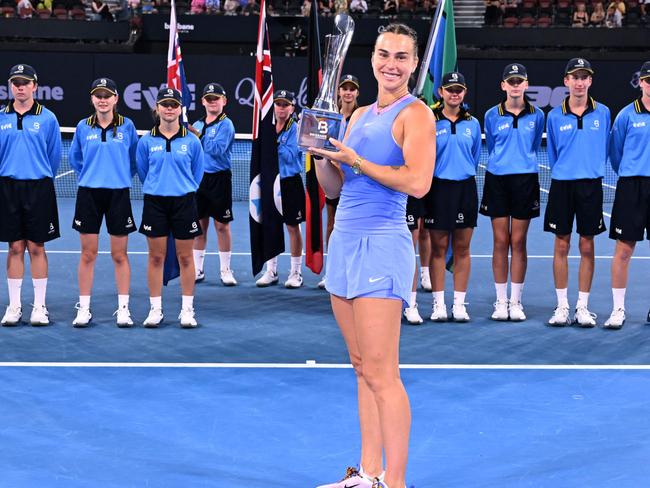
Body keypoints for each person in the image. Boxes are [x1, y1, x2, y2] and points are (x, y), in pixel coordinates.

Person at [310, 23, 435, 488]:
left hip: (382, 245)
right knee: (361, 367)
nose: (391, 64)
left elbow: (418, 182)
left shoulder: (416, 115)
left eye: (402, 57)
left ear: (413, 64)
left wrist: (357, 161)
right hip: (344, 242)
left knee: (384, 373)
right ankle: (368, 473)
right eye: (385, 54)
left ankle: (396, 483)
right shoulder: (359, 115)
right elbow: (334, 190)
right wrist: (323, 156)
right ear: (373, 58)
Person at [68, 78, 139, 327]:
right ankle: (84, 309)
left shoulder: (128, 126)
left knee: (120, 254)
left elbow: (134, 160)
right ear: (92, 99)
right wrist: (93, 176)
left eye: (107, 95)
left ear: (116, 99)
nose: (102, 99)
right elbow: (75, 159)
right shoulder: (82, 127)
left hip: (118, 195)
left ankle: (123, 309)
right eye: (98, 95)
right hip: (88, 195)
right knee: (88, 254)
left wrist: (117, 176)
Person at [545, 58, 610, 327]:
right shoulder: (554, 115)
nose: (580, 82)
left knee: (587, 245)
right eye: (575, 77)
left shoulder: (603, 113)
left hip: (590, 187)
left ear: (590, 81)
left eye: (584, 77)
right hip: (562, 185)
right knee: (561, 244)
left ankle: (582, 306)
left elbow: (607, 147)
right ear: (566, 82)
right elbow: (552, 154)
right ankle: (562, 306)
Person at [136, 87, 204, 328]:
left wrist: (179, 188)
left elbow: (197, 174)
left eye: (174, 104)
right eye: (165, 104)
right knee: (156, 257)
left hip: (184, 203)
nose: (169, 108)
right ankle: (156, 309)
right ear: (157, 108)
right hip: (155, 203)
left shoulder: (192, 141)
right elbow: (144, 172)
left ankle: (187, 310)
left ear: (180, 109)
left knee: (185, 257)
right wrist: (160, 187)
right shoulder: (145, 141)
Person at [481, 64, 544, 321]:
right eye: (511, 81)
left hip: (525, 181)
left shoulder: (538, 115)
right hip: (497, 180)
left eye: (520, 81)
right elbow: (493, 146)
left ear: (526, 85)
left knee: (518, 242)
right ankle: (500, 301)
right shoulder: (491, 115)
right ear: (503, 85)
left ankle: (516, 301)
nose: (515, 85)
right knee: (500, 241)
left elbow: (534, 143)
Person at [0, 64, 61, 327]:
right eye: (16, 82)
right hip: (8, 189)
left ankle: (40, 307)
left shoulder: (48, 118)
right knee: (14, 247)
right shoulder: (1, 117)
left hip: (39, 188)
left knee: (37, 246)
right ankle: (14, 307)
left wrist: (38, 174)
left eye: (25, 82)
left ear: (35, 86)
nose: (20, 87)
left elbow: (54, 156)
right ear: (11, 86)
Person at [425, 72, 481, 323]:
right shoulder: (429, 120)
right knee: (437, 248)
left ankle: (458, 304)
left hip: (465, 190)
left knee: (462, 248)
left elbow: (475, 156)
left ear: (464, 93)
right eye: (450, 89)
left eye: (459, 89)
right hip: (438, 190)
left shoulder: (473, 123)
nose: (454, 93)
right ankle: (438, 304)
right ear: (441, 92)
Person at [603, 61, 650, 329]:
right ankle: (618, 309)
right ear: (641, 83)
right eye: (648, 80)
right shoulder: (625, 116)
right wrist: (631, 172)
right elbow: (616, 152)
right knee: (623, 250)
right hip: (631, 186)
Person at [256, 90, 305, 289]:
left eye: (285, 105)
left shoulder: (297, 128)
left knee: (293, 227)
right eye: (278, 104)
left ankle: (295, 272)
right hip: (270, 182)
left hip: (290, 182)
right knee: (270, 226)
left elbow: (290, 155)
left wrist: (271, 144)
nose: (281, 108)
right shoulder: (266, 127)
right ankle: (271, 270)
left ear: (292, 108)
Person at [190, 83, 237, 287]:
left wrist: (198, 136)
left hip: (219, 179)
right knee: (200, 226)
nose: (212, 102)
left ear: (224, 101)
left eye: (216, 98)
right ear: (203, 102)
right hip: (199, 180)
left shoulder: (227, 125)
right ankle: (197, 269)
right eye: (209, 99)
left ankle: (225, 269)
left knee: (221, 226)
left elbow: (217, 150)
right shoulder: (197, 124)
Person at [319, 74, 360, 290]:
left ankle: (354, 271)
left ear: (357, 93)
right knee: (332, 223)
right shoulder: (331, 118)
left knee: (355, 225)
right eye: (344, 88)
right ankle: (332, 271)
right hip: (334, 178)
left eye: (352, 89)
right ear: (339, 92)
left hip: (355, 179)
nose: (348, 92)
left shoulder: (361, 117)